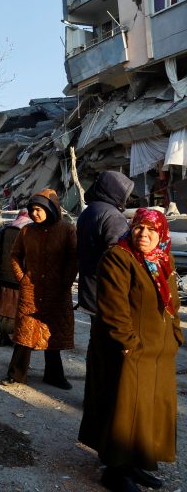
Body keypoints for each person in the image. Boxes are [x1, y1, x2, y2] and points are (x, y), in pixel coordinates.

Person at [79, 208, 182, 492]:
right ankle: (115, 470)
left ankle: (136, 463)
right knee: (125, 410)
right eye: (139, 228)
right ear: (132, 228)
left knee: (147, 409)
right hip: (127, 349)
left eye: (151, 230)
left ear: (161, 233)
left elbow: (173, 304)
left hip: (159, 351)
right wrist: (128, 344)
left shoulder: (163, 259)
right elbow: (113, 308)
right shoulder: (118, 257)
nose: (144, 235)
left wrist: (174, 337)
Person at [1, 189, 77, 389]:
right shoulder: (27, 231)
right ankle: (16, 374)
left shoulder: (67, 230)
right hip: (31, 290)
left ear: (51, 209)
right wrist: (21, 277)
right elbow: (15, 255)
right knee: (25, 332)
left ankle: (54, 375)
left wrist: (65, 282)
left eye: (39, 209)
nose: (35, 213)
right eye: (32, 210)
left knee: (53, 333)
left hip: (57, 290)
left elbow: (73, 259)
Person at [76, 171, 134, 320]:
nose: (127, 198)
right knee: (109, 337)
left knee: (96, 336)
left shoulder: (89, 210)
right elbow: (120, 256)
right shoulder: (112, 216)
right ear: (116, 191)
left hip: (90, 285)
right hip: (107, 289)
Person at [0, 209, 32, 347]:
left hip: (3, 275)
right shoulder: (30, 232)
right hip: (21, 276)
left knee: (3, 306)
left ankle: (3, 336)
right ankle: (18, 337)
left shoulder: (6, 230)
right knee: (20, 307)